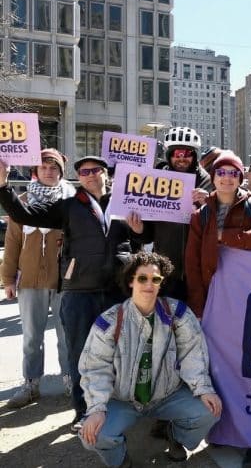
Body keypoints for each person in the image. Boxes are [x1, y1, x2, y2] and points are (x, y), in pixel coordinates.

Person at [0, 156, 144, 432]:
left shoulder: (125, 203)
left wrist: (139, 231)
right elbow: (23, 215)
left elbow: (140, 239)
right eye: (84, 172)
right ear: (79, 177)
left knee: (118, 353)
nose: (90, 175)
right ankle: (83, 412)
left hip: (117, 290)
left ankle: (115, 408)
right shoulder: (68, 206)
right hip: (79, 291)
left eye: (95, 170)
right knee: (80, 354)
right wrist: (3, 185)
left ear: (105, 174)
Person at [78, 252, 221, 466]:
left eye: (155, 279)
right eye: (142, 278)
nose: (149, 284)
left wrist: (203, 388)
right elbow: (94, 368)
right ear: (131, 281)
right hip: (123, 401)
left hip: (167, 395)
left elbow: (194, 353)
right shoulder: (109, 321)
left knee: (209, 411)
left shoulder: (178, 314)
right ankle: (120, 458)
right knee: (93, 435)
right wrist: (97, 408)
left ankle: (176, 436)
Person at [2, 149, 75, 408]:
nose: (48, 171)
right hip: (30, 280)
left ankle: (70, 380)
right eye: (43, 166)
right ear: (35, 171)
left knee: (66, 334)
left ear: (61, 171)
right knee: (32, 336)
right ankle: (31, 383)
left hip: (65, 280)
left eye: (54, 167)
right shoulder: (19, 201)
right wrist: (8, 279)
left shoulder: (73, 201)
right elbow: (12, 245)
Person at [185, 151, 251, 319]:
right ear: (213, 177)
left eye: (233, 173)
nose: (227, 178)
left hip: (250, 291)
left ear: (240, 178)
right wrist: (199, 309)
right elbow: (193, 266)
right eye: (221, 172)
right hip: (215, 295)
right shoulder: (200, 216)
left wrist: (224, 236)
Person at [141, 126, 213, 302]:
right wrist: (138, 229)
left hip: (197, 271)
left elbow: (221, 223)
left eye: (187, 153)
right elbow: (147, 234)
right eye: (177, 153)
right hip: (165, 271)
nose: (182, 158)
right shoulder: (155, 180)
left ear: (195, 156)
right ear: (169, 155)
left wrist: (210, 202)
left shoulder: (209, 182)